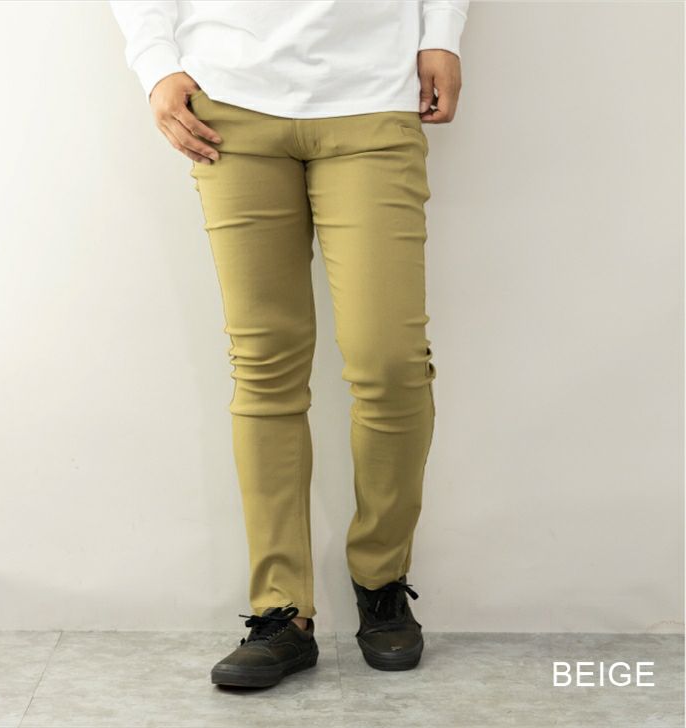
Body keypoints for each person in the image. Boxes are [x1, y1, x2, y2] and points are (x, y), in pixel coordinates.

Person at [110, 0, 468, 688]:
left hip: (373, 97)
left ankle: (381, 581)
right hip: (229, 102)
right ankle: (281, 612)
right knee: (265, 366)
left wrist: (442, 34)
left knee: (390, 363)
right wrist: (155, 63)